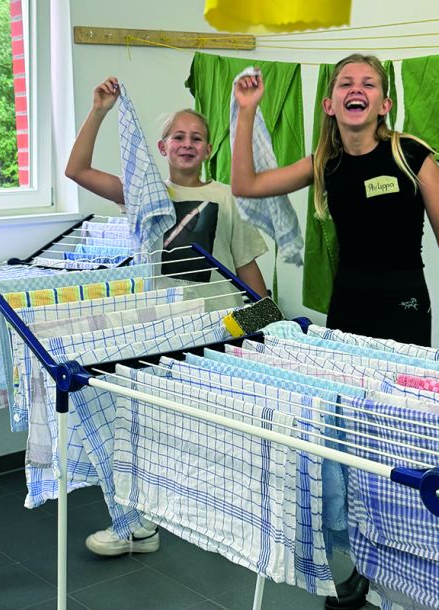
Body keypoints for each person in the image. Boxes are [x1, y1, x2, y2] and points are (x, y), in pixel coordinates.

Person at [231, 54, 439, 610]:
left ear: (384, 103)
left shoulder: (411, 154)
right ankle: (363, 567)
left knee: (402, 433)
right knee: (351, 438)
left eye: (368, 83)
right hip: (348, 310)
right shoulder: (325, 163)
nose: (356, 88)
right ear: (330, 103)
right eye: (345, 82)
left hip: (404, 307)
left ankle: (414, 571)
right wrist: (246, 111)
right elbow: (246, 184)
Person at [65, 77, 269, 556]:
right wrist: (99, 110)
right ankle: (137, 525)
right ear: (162, 147)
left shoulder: (227, 198)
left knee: (216, 426)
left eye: (197, 137)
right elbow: (76, 169)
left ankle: (227, 521)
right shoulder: (144, 194)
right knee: (142, 426)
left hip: (216, 327)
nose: (187, 143)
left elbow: (246, 266)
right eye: (178, 136)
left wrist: (267, 322)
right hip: (158, 327)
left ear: (208, 149)